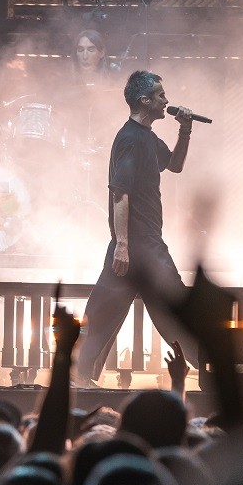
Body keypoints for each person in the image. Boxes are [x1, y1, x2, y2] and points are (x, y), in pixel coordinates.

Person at [75, 70, 199, 387]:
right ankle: (214, 367)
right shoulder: (130, 139)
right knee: (173, 308)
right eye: (160, 95)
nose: (166, 100)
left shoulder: (146, 137)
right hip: (140, 245)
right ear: (144, 101)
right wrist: (122, 244)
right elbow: (120, 192)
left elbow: (175, 164)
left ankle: (80, 374)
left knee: (105, 309)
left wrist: (185, 130)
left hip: (141, 244)